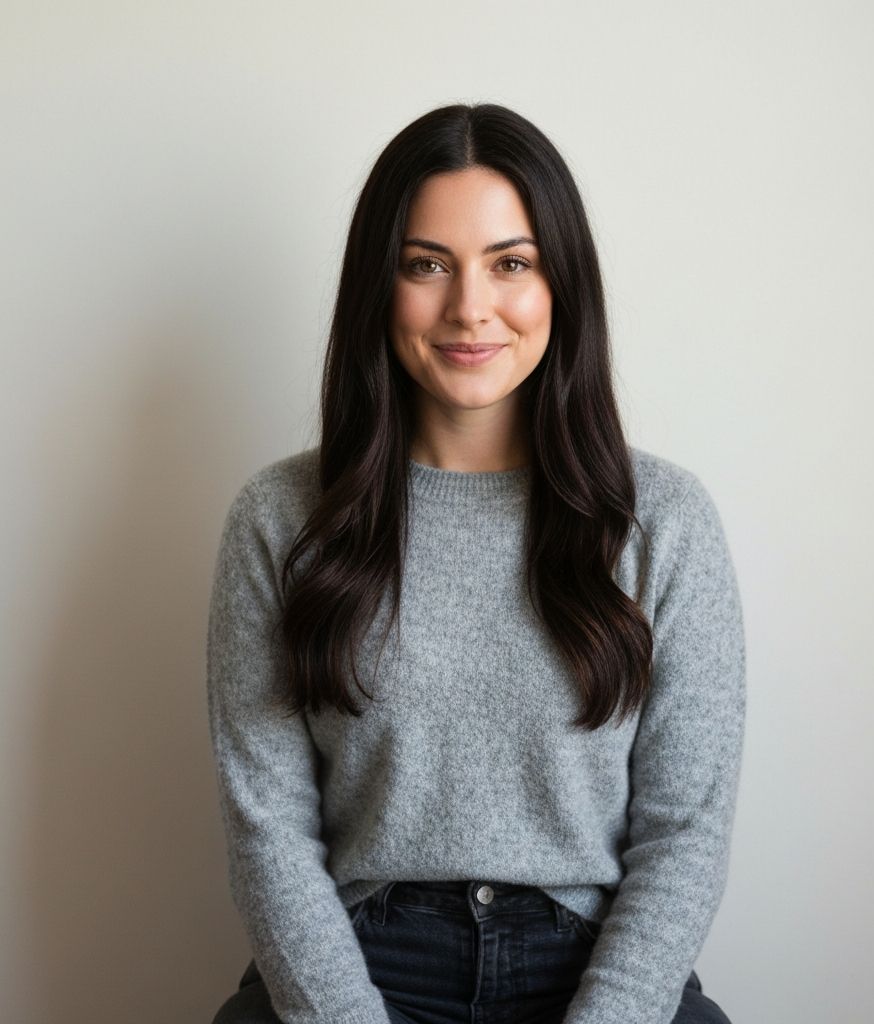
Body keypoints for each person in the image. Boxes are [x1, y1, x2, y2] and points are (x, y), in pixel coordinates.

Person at [206, 102, 746, 1024]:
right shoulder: (281, 520)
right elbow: (269, 831)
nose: (469, 308)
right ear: (380, 285)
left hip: (591, 967)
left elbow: (684, 835)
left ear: (559, 284)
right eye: (426, 265)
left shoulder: (663, 522)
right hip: (359, 965)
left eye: (511, 263)